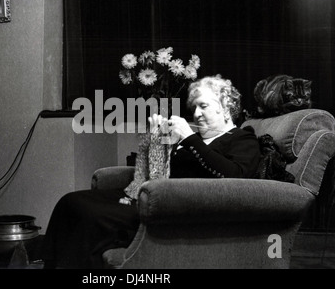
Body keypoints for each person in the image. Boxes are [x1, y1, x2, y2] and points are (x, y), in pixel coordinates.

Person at [41, 74, 261, 269]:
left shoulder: (242, 138)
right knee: (70, 202)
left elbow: (235, 177)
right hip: (150, 194)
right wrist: (155, 139)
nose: (196, 114)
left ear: (226, 107)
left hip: (178, 207)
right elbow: (153, 173)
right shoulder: (194, 139)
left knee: (91, 215)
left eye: (203, 106)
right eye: (194, 107)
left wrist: (189, 137)